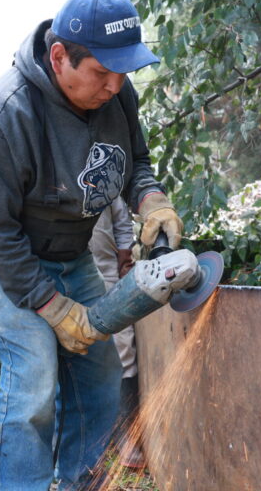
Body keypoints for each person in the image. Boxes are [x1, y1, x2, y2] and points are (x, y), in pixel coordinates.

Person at [0, 0, 183, 491]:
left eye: (123, 72)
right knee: (33, 380)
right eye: (102, 72)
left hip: (74, 254)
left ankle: (84, 481)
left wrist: (151, 199)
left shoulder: (117, 92)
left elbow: (136, 162)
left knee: (100, 372)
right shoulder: (4, 115)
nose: (115, 86)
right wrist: (51, 306)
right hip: (13, 258)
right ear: (59, 56)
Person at [87, 197, 145, 469]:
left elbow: (121, 222)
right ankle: (68, 442)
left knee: (123, 348)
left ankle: (126, 436)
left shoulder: (105, 182)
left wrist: (125, 257)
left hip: (107, 274)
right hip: (59, 278)